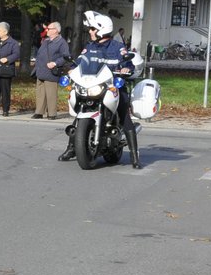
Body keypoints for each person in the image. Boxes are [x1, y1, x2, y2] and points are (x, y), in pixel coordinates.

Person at [58, 11, 139, 165]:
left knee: (124, 115)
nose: (90, 31)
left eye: (93, 29)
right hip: (92, 86)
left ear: (102, 29)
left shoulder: (117, 46)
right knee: (80, 114)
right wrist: (71, 69)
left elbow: (128, 62)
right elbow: (80, 62)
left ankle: (135, 156)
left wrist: (126, 69)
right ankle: (71, 147)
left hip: (112, 87)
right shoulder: (90, 47)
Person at [31, 20, 71, 119]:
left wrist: (55, 63)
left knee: (51, 93)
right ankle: (39, 112)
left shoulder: (62, 42)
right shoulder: (46, 41)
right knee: (40, 93)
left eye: (49, 29)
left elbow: (65, 57)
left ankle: (52, 113)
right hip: (41, 70)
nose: (47, 30)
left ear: (56, 30)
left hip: (51, 71)